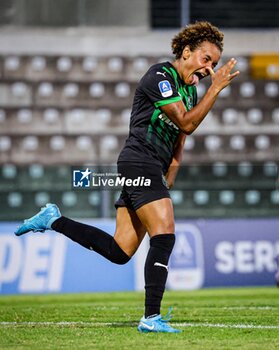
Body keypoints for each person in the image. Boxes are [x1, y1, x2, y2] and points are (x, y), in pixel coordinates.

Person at [15, 21, 239, 333]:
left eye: (214, 65)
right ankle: (151, 318)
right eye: (206, 60)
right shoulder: (160, 76)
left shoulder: (188, 90)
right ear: (186, 52)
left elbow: (181, 137)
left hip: (151, 167)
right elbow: (186, 123)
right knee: (165, 231)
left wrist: (171, 171)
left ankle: (53, 220)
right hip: (139, 161)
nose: (210, 70)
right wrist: (216, 89)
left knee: (120, 251)